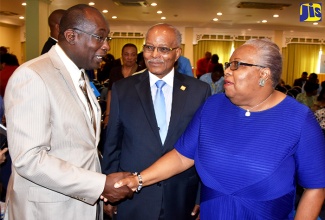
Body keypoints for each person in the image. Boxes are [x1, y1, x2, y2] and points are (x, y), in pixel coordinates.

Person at [114, 38, 325, 220]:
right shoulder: (213, 107)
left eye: (236, 65)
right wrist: (137, 180)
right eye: (228, 64)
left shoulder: (299, 119)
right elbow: (181, 156)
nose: (227, 71)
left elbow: (315, 187)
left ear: (264, 74)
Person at [4, 4, 132, 220]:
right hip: (48, 210)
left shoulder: (81, 75)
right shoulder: (33, 76)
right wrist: (99, 185)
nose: (106, 46)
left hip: (80, 206)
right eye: (100, 38)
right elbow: (29, 159)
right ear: (71, 36)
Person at [101, 23, 210, 220]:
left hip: (180, 194)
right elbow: (112, 144)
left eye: (163, 49)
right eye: (149, 47)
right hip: (132, 196)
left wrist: (200, 195)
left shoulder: (199, 91)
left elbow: (203, 148)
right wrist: (109, 193)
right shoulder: (122, 89)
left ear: (177, 53)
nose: (154, 55)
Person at [102, 43, 143, 128]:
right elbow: (110, 92)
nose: (129, 58)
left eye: (133, 55)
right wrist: (108, 115)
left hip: (135, 115)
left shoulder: (141, 73)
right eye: (126, 54)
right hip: (116, 112)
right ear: (122, 56)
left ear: (136, 57)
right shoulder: (115, 71)